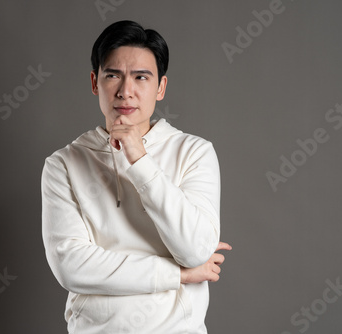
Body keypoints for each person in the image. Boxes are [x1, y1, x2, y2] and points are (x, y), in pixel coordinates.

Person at [41, 20, 231, 334]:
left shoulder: (194, 151)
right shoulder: (63, 164)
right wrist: (178, 275)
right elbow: (72, 266)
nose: (126, 91)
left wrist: (138, 158)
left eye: (141, 77)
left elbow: (195, 249)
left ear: (160, 88)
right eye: (113, 75)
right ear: (95, 82)